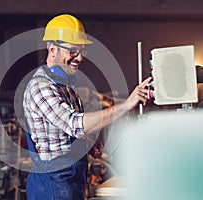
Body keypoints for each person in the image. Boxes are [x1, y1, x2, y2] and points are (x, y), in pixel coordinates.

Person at [22, 14, 151, 200]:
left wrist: (88, 144)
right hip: (52, 185)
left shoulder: (64, 85)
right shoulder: (41, 87)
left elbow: (69, 132)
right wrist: (127, 105)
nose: (79, 58)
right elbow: (75, 124)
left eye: (82, 51)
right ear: (52, 49)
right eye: (72, 51)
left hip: (70, 180)